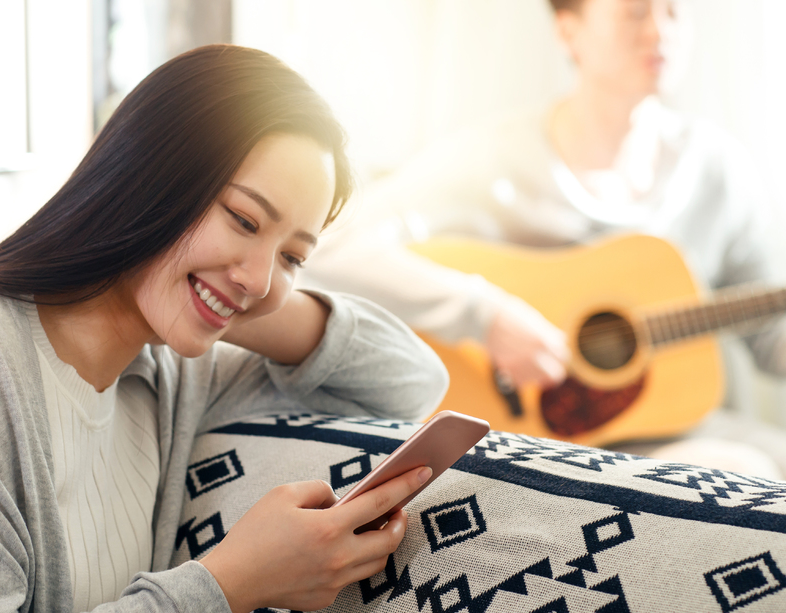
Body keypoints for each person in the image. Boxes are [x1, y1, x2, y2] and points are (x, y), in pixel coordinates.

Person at [0, 45, 449, 613]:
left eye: (293, 256)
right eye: (244, 219)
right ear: (150, 177)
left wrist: (238, 300)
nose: (261, 276)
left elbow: (413, 381)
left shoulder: (169, 374)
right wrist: (229, 585)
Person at [299, 0, 786, 475]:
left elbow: (766, 330)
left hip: (672, 424)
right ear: (567, 30)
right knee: (748, 469)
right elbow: (333, 239)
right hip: (526, 433)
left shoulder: (718, 170)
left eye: (674, 11)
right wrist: (484, 316)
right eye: (635, 12)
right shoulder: (494, 161)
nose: (661, 31)